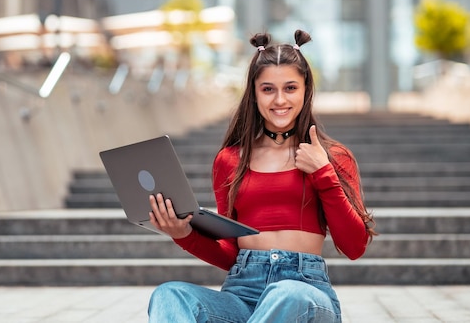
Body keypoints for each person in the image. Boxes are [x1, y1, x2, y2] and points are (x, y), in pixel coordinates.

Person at [147, 30, 377, 323]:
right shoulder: (229, 160)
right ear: (254, 94)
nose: (280, 99)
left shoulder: (332, 157)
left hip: (305, 293)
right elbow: (231, 252)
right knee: (170, 295)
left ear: (306, 91)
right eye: (268, 89)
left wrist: (323, 173)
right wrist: (184, 235)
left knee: (286, 294)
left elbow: (354, 247)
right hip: (241, 295)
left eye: (290, 88)